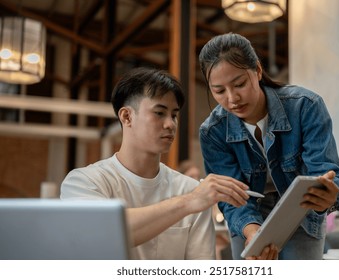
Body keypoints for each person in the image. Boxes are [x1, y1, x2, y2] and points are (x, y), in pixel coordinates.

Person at [61, 67, 250, 260]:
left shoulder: (189, 189)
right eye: (159, 113)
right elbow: (101, 233)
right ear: (127, 116)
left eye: (174, 115)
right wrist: (188, 202)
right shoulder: (84, 182)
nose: (170, 124)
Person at [198, 33, 339, 260]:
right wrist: (253, 232)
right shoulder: (213, 131)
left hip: (301, 214)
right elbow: (229, 197)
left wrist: (327, 196)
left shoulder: (305, 106)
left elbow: (329, 174)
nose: (232, 98)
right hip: (247, 217)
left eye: (239, 84)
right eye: (219, 91)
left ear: (258, 71)